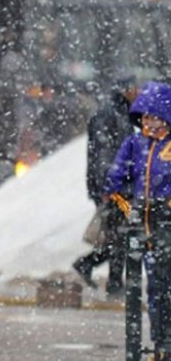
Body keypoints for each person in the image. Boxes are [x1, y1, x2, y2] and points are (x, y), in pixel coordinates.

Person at [104, 81, 171, 360]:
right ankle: (162, 344)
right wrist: (130, 207)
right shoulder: (134, 143)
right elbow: (113, 182)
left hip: (166, 226)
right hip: (146, 230)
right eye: (144, 116)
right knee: (156, 287)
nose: (148, 122)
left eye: (154, 116)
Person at [72, 75, 138, 298]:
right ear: (126, 89)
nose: (138, 93)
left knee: (119, 234)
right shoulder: (110, 114)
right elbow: (103, 154)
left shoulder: (122, 113)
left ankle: (89, 266)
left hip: (118, 185)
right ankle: (113, 282)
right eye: (135, 88)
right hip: (113, 187)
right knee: (121, 234)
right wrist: (108, 187)